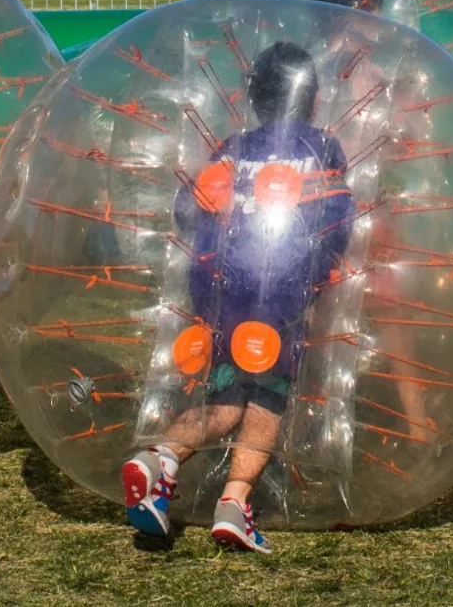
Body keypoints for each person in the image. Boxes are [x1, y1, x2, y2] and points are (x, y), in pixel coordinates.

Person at [120, 42, 356, 554]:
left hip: (222, 291)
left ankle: (160, 459)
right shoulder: (322, 146)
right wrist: (324, 272)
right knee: (268, 397)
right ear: (312, 99)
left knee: (226, 397)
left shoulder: (232, 147)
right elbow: (338, 217)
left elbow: (190, 210)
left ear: (253, 100)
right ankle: (234, 502)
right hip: (281, 291)